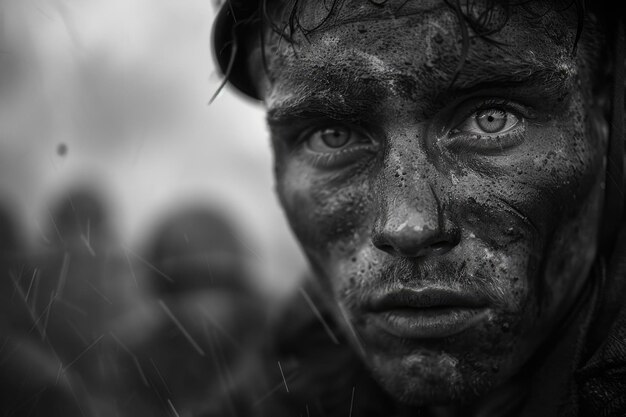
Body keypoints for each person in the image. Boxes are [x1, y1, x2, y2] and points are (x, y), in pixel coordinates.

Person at [211, 1, 626, 416]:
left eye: (491, 119)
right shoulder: (289, 379)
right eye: (332, 136)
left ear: (605, 112)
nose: (409, 226)